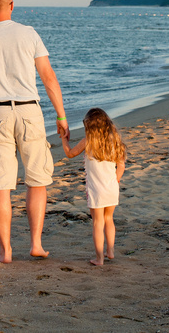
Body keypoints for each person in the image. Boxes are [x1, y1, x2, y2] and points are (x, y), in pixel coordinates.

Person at [0, 0, 69, 263]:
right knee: (37, 180)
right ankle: (35, 244)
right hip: (29, 111)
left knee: (0, 185)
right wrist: (61, 115)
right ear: (12, 5)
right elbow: (48, 76)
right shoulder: (29, 33)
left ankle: (5, 251)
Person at [60, 108, 127, 266]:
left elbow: (70, 153)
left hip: (96, 191)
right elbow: (121, 166)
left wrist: (64, 138)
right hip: (112, 188)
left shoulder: (88, 141)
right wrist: (116, 180)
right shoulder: (115, 142)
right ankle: (110, 251)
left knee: (98, 223)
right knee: (109, 220)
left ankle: (99, 258)